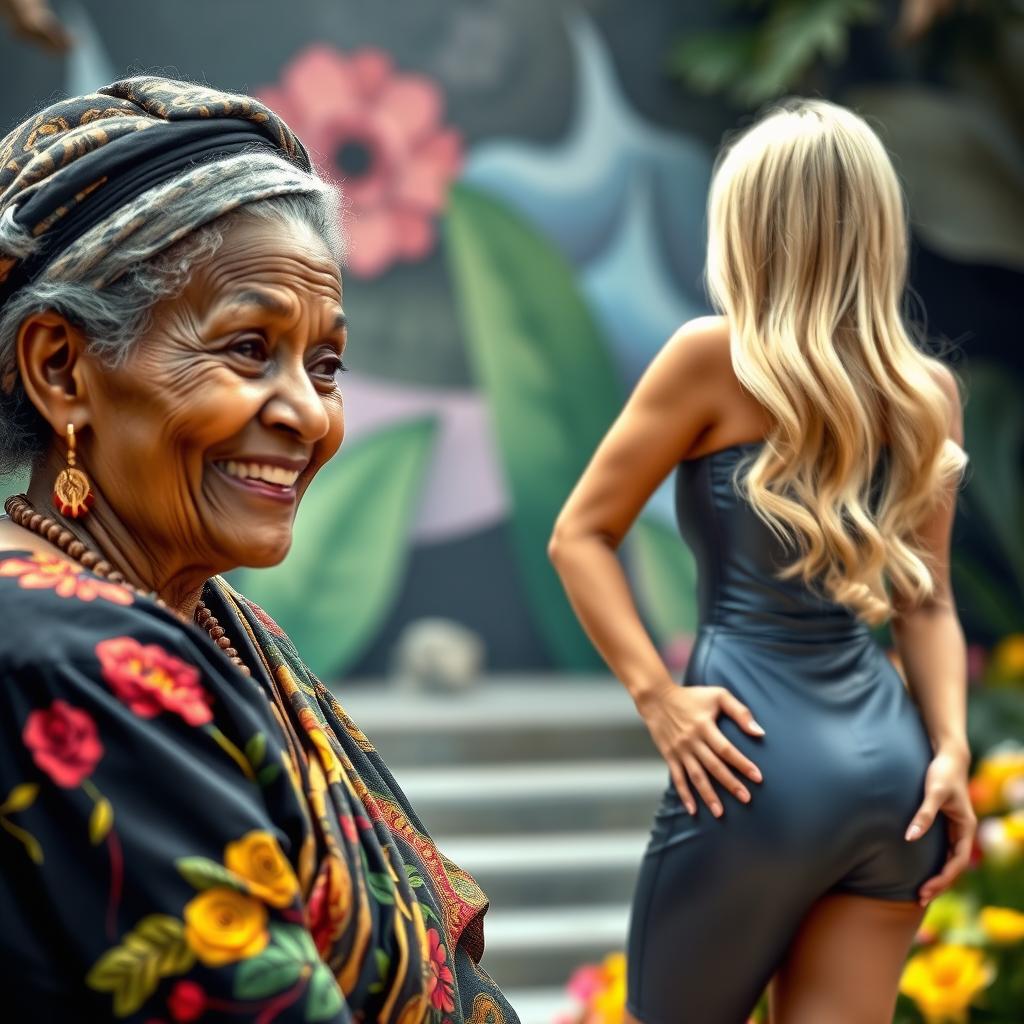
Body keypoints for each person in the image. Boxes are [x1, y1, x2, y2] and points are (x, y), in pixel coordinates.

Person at [0, 75, 518, 1024]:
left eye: (326, 365)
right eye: (247, 349)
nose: (309, 414)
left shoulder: (210, 622)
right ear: (61, 369)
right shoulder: (63, 656)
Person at [548, 97, 975, 1024]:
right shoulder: (927, 390)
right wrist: (950, 750)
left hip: (748, 769)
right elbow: (929, 601)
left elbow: (579, 534)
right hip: (891, 777)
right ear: (876, 228)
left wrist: (658, 698)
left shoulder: (710, 359)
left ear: (746, 225)